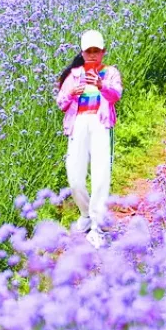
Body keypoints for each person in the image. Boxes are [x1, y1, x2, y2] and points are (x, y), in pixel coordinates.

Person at [55, 30, 122, 248]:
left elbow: (116, 95)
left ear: (103, 52)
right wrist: (72, 92)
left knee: (101, 174)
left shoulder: (110, 73)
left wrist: (102, 86)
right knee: (74, 175)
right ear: (82, 53)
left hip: (101, 125)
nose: (92, 55)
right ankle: (85, 214)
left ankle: (98, 225)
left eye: (96, 51)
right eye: (88, 51)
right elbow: (61, 103)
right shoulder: (73, 76)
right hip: (79, 124)